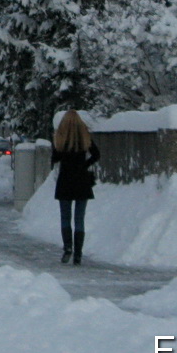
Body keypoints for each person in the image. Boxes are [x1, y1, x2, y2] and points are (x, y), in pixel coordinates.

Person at [51, 110, 100, 265]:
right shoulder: (85, 137)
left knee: (65, 217)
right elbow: (96, 155)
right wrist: (84, 165)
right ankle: (78, 254)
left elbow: (55, 158)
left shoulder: (60, 138)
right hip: (81, 180)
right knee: (79, 219)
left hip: (65, 180)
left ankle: (68, 249)